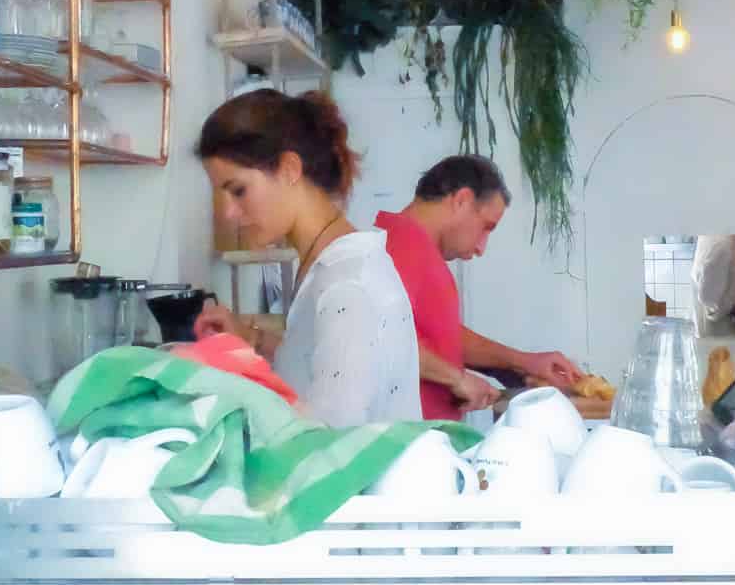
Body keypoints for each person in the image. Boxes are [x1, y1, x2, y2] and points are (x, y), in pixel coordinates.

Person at [196, 89, 420, 428]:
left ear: (289, 169)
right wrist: (251, 341)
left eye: (238, 190)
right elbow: (321, 366)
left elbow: (329, 436)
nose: (227, 212)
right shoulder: (326, 266)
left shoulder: (347, 285)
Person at [375, 154, 583, 419]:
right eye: (486, 227)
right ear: (461, 200)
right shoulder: (400, 245)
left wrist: (523, 364)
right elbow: (382, 338)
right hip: (411, 437)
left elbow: (441, 337)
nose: (481, 247)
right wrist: (457, 379)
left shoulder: (413, 246)